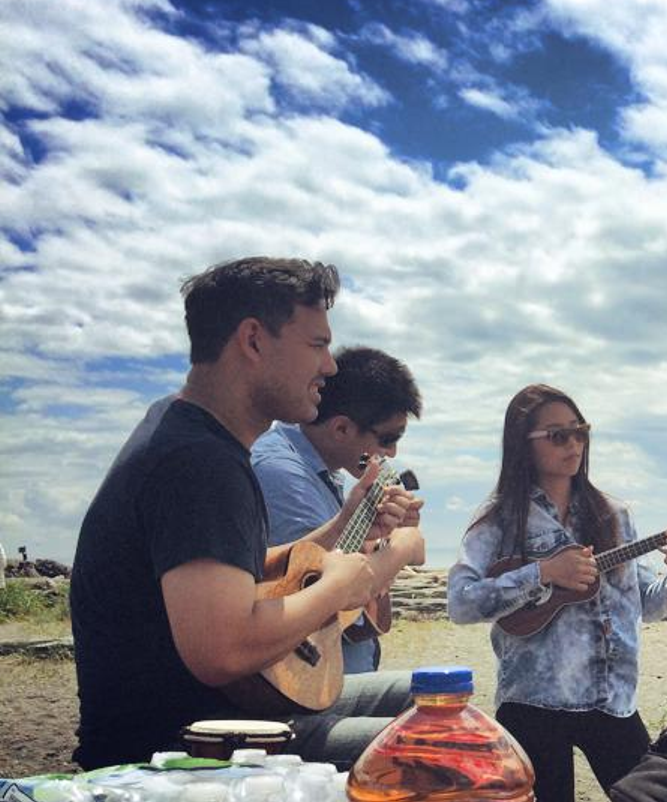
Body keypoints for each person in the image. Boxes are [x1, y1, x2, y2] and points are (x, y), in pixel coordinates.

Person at [69, 257, 426, 771]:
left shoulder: (187, 432)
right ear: (253, 340)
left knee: (431, 697)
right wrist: (343, 585)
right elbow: (224, 652)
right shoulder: (199, 461)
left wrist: (346, 527)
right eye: (317, 345)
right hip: (178, 750)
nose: (329, 367)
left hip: (221, 717)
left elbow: (234, 572)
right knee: (439, 749)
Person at [447, 384, 667, 802]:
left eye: (579, 432)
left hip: (611, 699)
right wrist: (543, 573)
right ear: (523, 443)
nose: (574, 445)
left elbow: (644, 604)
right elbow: (461, 602)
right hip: (533, 704)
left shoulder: (612, 515)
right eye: (558, 435)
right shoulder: (500, 519)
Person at [251, 346, 424, 673]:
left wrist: (379, 537)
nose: (392, 452)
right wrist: (405, 545)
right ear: (341, 428)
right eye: (388, 438)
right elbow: (317, 589)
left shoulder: (321, 469)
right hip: (305, 681)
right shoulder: (281, 472)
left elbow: (336, 555)